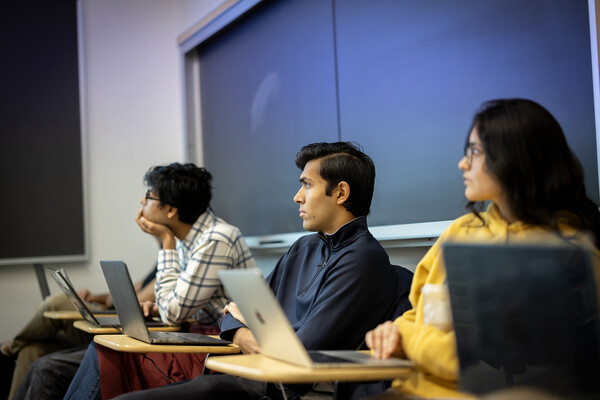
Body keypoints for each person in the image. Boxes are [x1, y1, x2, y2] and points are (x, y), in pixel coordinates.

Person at [73, 141, 411, 400]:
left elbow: (297, 356)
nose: (297, 197)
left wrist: (245, 331)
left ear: (340, 192)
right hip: (245, 374)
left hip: (268, 391)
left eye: (306, 185)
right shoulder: (305, 247)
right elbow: (233, 313)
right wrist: (246, 330)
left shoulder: (364, 260)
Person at [364, 98, 600, 399]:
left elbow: (482, 366)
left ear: (513, 156)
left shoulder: (567, 256)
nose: (463, 163)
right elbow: (415, 315)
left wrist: (408, 339)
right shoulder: (461, 231)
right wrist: (393, 333)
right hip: (409, 391)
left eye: (474, 151)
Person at [14, 162, 257, 400]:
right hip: (199, 336)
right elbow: (173, 304)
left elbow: (174, 313)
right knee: (55, 362)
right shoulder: (191, 239)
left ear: (171, 210)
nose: (142, 202)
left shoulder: (216, 239)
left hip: (220, 347)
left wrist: (166, 243)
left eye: (148, 196)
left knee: (93, 355)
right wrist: (157, 306)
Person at [0, 265, 156, 400]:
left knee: (56, 302)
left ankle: (12, 346)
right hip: (108, 312)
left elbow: (133, 300)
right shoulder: (159, 262)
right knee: (30, 350)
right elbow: (119, 296)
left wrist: (167, 240)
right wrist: (96, 297)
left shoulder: (171, 260)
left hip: (120, 322)